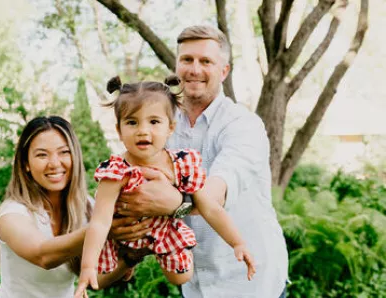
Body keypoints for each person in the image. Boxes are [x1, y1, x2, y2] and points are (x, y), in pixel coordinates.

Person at [112, 25, 289, 298]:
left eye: (206, 61)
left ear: (224, 71)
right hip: (194, 285)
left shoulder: (243, 125)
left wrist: (174, 204)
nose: (194, 69)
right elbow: (139, 192)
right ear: (177, 66)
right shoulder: (162, 127)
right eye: (187, 60)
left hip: (250, 282)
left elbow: (215, 193)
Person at [74, 76, 255, 298]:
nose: (142, 130)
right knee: (99, 281)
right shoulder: (115, 172)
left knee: (181, 276)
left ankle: (156, 252)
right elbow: (100, 221)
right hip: (125, 236)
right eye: (132, 122)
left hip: (164, 231)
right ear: (119, 131)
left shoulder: (180, 163)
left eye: (153, 122)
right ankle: (130, 259)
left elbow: (210, 207)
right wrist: (87, 267)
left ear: (170, 128)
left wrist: (237, 242)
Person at [0, 116, 140, 298]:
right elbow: (43, 256)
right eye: (42, 155)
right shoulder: (12, 213)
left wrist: (133, 256)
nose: (54, 163)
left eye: (63, 152)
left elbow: (96, 279)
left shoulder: (87, 208)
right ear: (25, 164)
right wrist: (102, 226)